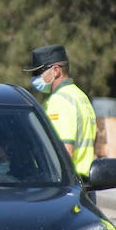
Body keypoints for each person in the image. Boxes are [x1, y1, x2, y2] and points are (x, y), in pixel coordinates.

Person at [26, 44, 98, 176]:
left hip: (69, 181)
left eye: (38, 73)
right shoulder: (80, 96)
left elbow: (65, 151)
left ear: (56, 70)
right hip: (85, 179)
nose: (34, 78)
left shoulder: (59, 100)